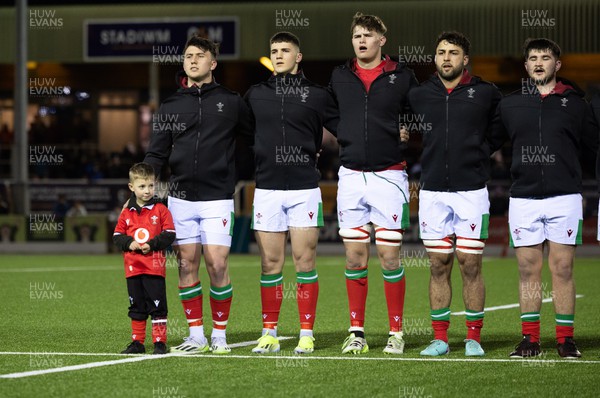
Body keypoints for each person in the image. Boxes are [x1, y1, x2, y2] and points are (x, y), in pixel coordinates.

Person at [489, 38, 598, 358]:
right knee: (528, 270)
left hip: (565, 196)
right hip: (523, 197)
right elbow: (486, 143)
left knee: (562, 268)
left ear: (557, 65)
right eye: (533, 58)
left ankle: (566, 340)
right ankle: (530, 340)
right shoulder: (510, 104)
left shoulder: (576, 104)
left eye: (546, 58)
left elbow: (594, 148)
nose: (539, 62)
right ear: (526, 66)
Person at [144, 35, 253, 354]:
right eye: (188, 55)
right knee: (187, 264)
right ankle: (196, 335)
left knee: (217, 264)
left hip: (218, 197)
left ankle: (219, 335)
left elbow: (254, 140)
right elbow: (156, 153)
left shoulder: (232, 101)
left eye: (199, 56)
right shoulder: (171, 104)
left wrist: (237, 170)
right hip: (179, 199)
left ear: (213, 63)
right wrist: (143, 184)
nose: (192, 60)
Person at [406, 31, 502, 357]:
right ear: (434, 58)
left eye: (453, 52)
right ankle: (440, 339)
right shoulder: (419, 94)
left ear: (465, 59)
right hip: (432, 191)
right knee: (437, 265)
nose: (446, 58)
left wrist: (480, 150)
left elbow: (501, 129)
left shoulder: (485, 92)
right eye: (441, 52)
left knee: (470, 264)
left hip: (472, 190)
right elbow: (396, 120)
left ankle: (473, 338)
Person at [328, 12, 418, 354]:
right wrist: (346, 132)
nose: (361, 41)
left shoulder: (402, 76)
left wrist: (408, 127)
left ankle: (396, 332)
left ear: (382, 39)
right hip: (350, 175)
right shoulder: (341, 76)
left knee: (390, 257)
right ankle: (357, 332)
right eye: (356, 36)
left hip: (390, 174)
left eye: (367, 35)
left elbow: (421, 110)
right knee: (354, 258)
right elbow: (327, 111)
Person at [244, 32, 336, 354]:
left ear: (299, 56)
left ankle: (306, 334)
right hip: (267, 188)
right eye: (274, 50)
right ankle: (269, 333)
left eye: (285, 50)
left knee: (304, 262)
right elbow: (240, 134)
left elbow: (343, 133)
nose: (279, 55)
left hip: (304, 189)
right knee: (270, 263)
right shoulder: (255, 95)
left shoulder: (318, 95)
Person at [113, 162, 176, 355]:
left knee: (158, 305)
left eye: (150, 185)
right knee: (137, 306)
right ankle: (137, 343)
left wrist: (153, 244)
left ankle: (159, 342)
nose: (147, 190)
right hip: (133, 269)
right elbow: (117, 236)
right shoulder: (126, 212)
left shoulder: (161, 209)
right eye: (142, 186)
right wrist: (129, 243)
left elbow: (170, 233)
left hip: (154, 267)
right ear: (132, 187)